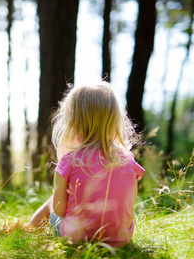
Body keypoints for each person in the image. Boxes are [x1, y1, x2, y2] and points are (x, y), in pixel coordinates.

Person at [29, 81, 144, 248]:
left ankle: (27, 231)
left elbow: (59, 211)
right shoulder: (128, 160)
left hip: (77, 238)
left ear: (73, 122)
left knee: (51, 202)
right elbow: (129, 205)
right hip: (120, 239)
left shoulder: (69, 161)